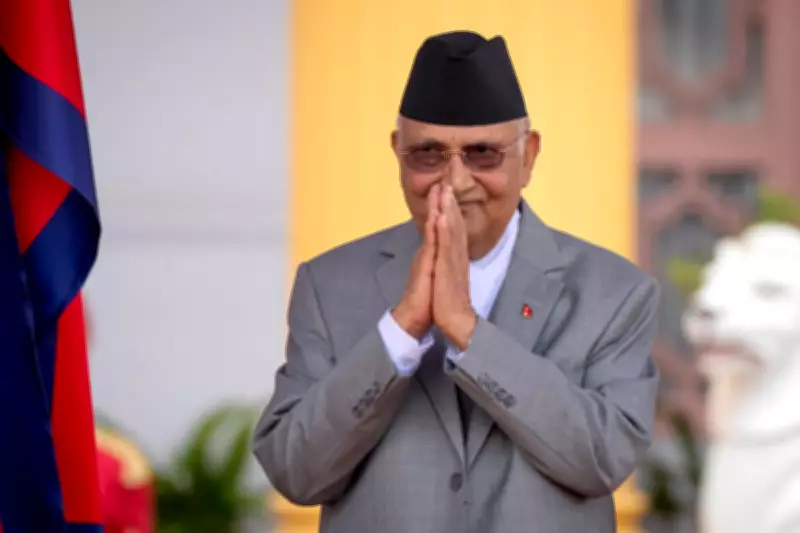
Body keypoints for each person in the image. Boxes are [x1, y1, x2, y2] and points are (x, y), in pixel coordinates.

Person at [252, 30, 660, 532]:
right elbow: (295, 472)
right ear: (398, 153)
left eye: (483, 153)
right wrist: (399, 332)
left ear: (529, 156)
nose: (456, 181)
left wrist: (467, 331)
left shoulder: (614, 292)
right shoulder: (329, 284)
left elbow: (603, 458)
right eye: (428, 154)